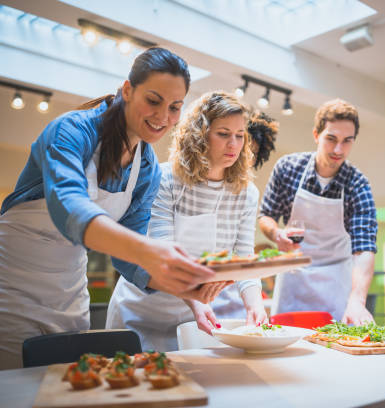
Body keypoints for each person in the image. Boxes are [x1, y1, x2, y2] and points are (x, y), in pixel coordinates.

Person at [0, 47, 216, 372]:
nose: (163, 117)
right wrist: (150, 249)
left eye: (174, 107)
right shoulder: (72, 130)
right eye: (153, 101)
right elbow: (70, 211)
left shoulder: (147, 168)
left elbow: (129, 255)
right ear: (127, 90)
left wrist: (189, 292)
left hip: (68, 290)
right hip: (7, 283)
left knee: (69, 388)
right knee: (15, 391)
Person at [106, 91, 267, 351]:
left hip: (192, 319)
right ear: (200, 134)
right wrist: (197, 301)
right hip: (141, 311)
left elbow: (244, 260)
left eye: (240, 136)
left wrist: (255, 305)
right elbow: (163, 254)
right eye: (223, 134)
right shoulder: (164, 178)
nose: (233, 144)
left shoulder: (246, 193)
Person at [258, 99, 377, 324]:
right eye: (331, 139)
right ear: (316, 135)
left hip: (336, 284)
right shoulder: (288, 169)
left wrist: (358, 301)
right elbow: (266, 215)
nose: (338, 149)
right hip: (293, 279)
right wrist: (276, 235)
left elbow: (364, 248)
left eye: (347, 141)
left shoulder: (357, 183)